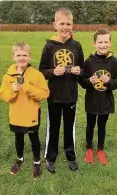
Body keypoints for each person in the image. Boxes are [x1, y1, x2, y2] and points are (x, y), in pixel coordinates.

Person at [39, 7, 84, 173]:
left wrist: (80, 71)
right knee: (54, 127)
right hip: (54, 96)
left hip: (71, 96)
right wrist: (52, 72)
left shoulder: (76, 46)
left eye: (68, 24)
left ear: (72, 25)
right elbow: (42, 70)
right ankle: (51, 157)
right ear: (55, 25)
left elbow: (82, 69)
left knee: (69, 127)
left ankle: (71, 156)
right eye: (62, 23)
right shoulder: (49, 46)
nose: (65, 27)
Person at [0, 42, 49, 179]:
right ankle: (19, 159)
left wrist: (28, 88)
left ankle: (37, 162)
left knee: (34, 138)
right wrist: (13, 91)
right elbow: (4, 95)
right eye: (19, 55)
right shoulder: (8, 76)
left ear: (29, 56)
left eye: (25, 55)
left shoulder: (36, 75)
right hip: (16, 113)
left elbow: (45, 94)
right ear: (13, 57)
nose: (22, 58)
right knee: (18, 137)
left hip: (31, 113)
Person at [78, 29, 117, 165]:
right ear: (94, 44)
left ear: (110, 43)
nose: (103, 45)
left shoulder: (114, 62)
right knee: (90, 125)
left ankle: (100, 150)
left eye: (106, 42)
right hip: (92, 100)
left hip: (106, 101)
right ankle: (89, 149)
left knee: (102, 126)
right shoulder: (88, 62)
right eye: (100, 42)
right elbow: (82, 81)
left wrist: (108, 81)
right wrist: (89, 81)